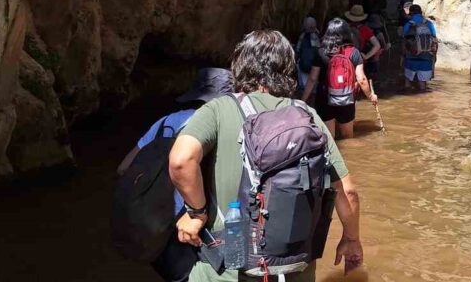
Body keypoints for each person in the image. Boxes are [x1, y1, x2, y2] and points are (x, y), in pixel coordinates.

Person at [168, 30, 366, 282]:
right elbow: (347, 192)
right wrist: (351, 239)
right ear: (288, 69)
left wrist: (196, 213)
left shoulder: (218, 109)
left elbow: (181, 160)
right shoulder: (307, 116)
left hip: (228, 269)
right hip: (295, 269)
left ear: (239, 66)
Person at [116, 68, 234, 282]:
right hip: (189, 230)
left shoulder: (164, 122)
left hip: (154, 228)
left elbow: (124, 167)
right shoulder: (219, 127)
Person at [303, 18, 378, 139]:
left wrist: (303, 100)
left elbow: (312, 78)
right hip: (346, 98)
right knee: (348, 138)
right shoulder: (354, 52)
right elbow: (362, 79)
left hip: (324, 99)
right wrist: (371, 97)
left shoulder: (321, 52)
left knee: (329, 140)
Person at [402, 4, 438, 92]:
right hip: (426, 56)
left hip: (411, 56)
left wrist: (403, 56)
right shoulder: (429, 24)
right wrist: (434, 55)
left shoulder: (408, 25)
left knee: (408, 83)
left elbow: (404, 41)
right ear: (421, 12)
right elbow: (434, 39)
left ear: (410, 13)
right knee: (423, 86)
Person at [344, 4, 382, 78]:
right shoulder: (365, 29)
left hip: (344, 57)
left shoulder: (345, 27)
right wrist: (366, 56)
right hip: (358, 58)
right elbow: (377, 45)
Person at [295, 16, 320, 95]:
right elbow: (318, 50)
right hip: (314, 67)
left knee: (303, 86)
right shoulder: (316, 37)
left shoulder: (302, 37)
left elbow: (297, 50)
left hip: (302, 66)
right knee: (313, 87)